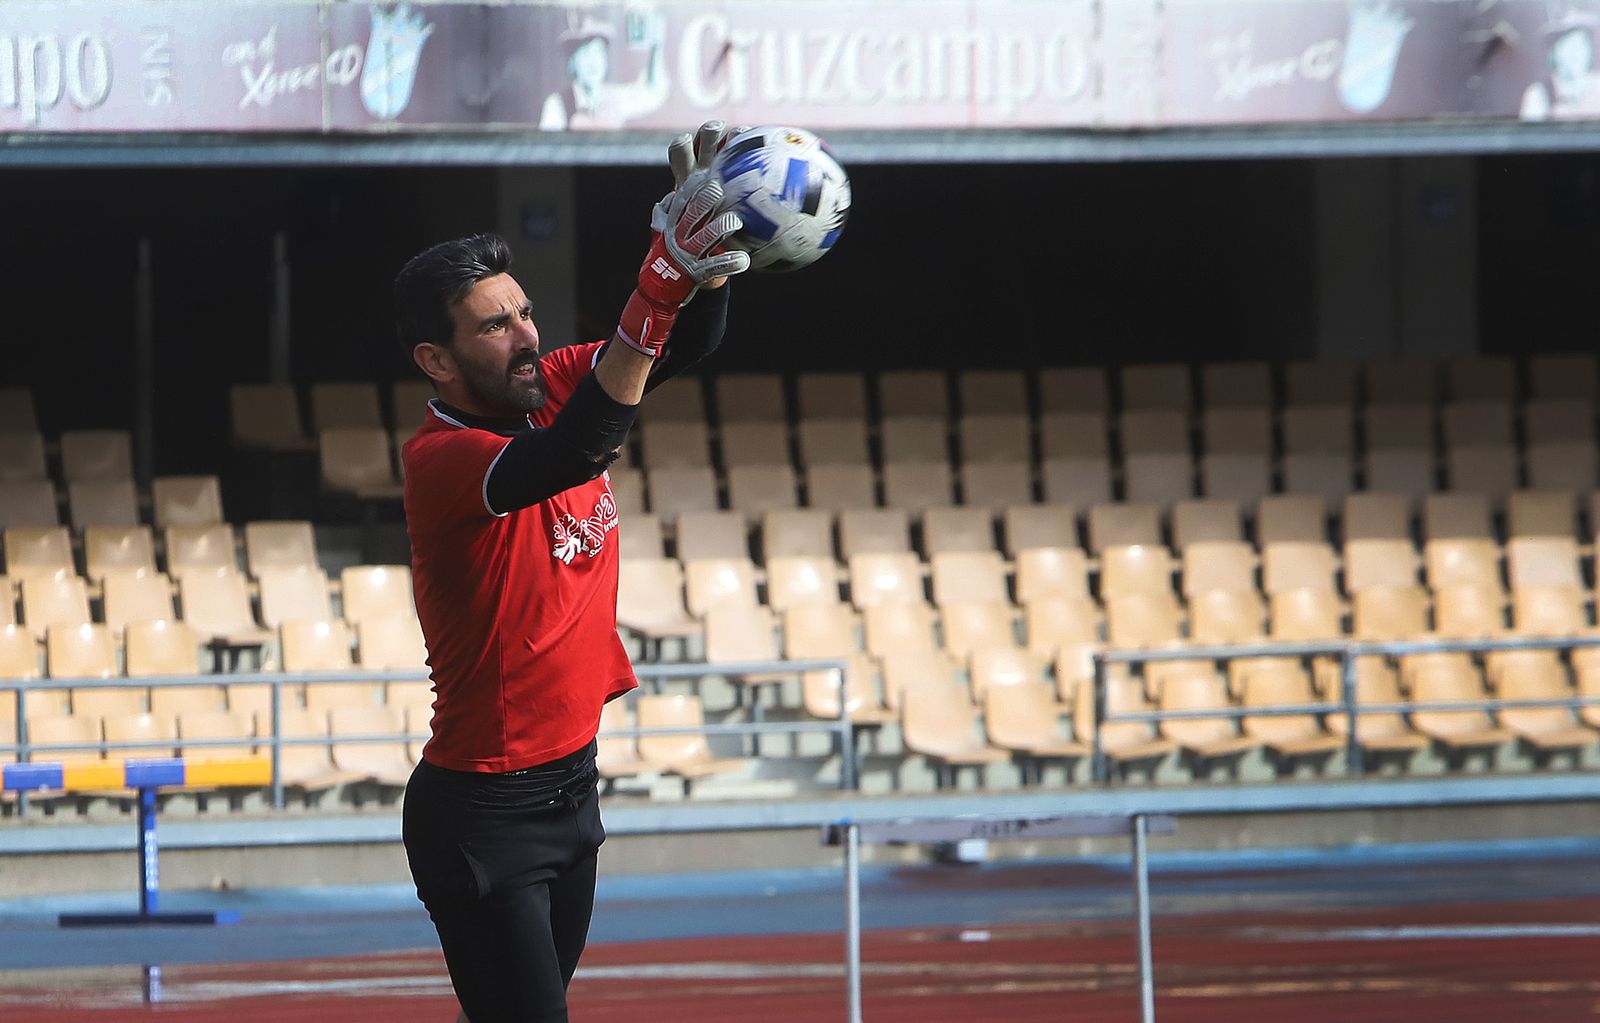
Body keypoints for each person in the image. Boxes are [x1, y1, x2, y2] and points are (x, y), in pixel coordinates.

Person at [394, 122, 749, 1023]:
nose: (523, 334)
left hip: (571, 787)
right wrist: (655, 281)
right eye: (493, 324)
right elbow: (587, 441)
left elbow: (685, 347)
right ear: (436, 360)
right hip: (482, 811)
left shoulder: (546, 380)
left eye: (522, 312)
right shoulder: (441, 458)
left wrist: (698, 266)